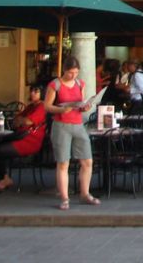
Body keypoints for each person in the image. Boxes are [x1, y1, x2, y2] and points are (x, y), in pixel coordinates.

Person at [44, 56, 99, 211]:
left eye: (76, 73)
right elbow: (47, 106)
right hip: (61, 125)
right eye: (70, 73)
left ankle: (85, 193)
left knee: (87, 161)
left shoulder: (80, 83)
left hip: (78, 124)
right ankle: (64, 197)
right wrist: (61, 109)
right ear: (64, 70)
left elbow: (80, 102)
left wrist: (84, 107)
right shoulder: (55, 85)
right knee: (63, 162)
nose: (73, 76)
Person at [0, 84, 46, 192]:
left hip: (30, 141)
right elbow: (15, 121)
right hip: (21, 138)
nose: (32, 93)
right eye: (32, 91)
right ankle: (3, 178)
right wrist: (22, 120)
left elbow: (28, 121)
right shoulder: (30, 106)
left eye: (36, 91)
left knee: (0, 150)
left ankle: (2, 179)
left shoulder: (42, 107)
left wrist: (22, 120)